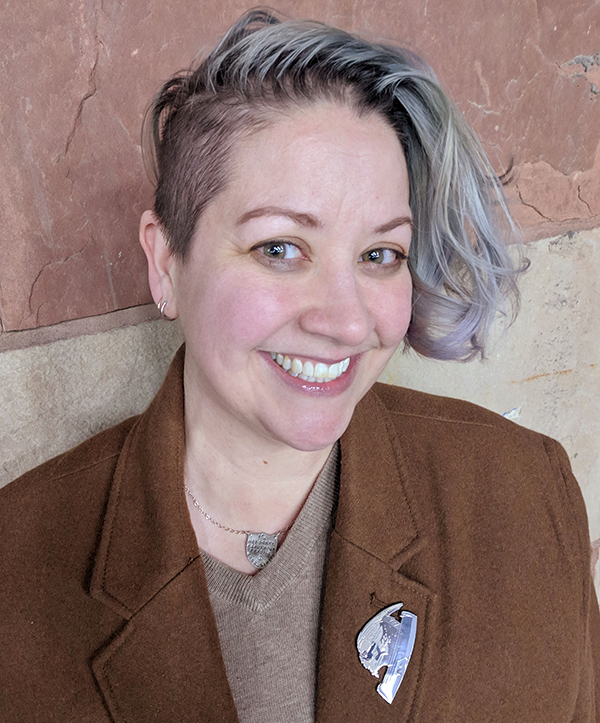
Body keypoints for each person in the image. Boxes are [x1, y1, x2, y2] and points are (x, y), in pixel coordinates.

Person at [1, 9, 598, 722]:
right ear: (166, 263)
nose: (345, 320)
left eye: (380, 254)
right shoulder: (18, 565)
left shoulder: (525, 494)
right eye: (279, 249)